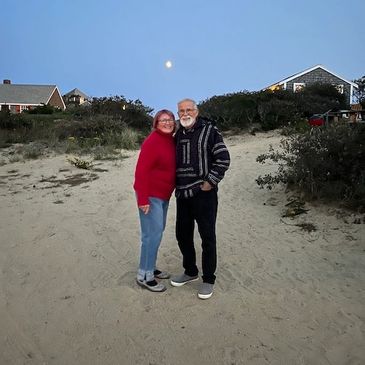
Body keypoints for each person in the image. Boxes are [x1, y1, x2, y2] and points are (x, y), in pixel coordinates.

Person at [170, 98, 230, 299]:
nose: (185, 114)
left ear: (196, 111)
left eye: (189, 110)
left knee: (207, 237)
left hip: (204, 195)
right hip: (183, 195)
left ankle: (208, 279)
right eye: (181, 111)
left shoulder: (210, 131)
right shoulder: (177, 134)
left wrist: (210, 181)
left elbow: (223, 158)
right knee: (182, 235)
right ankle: (190, 271)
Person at [134, 109, 176, 292]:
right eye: (163, 120)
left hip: (163, 196)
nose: (167, 123)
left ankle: (150, 265)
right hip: (150, 196)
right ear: (156, 124)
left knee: (152, 234)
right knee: (153, 235)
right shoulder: (152, 142)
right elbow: (141, 172)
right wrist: (143, 199)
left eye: (170, 120)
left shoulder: (171, 141)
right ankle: (145, 275)